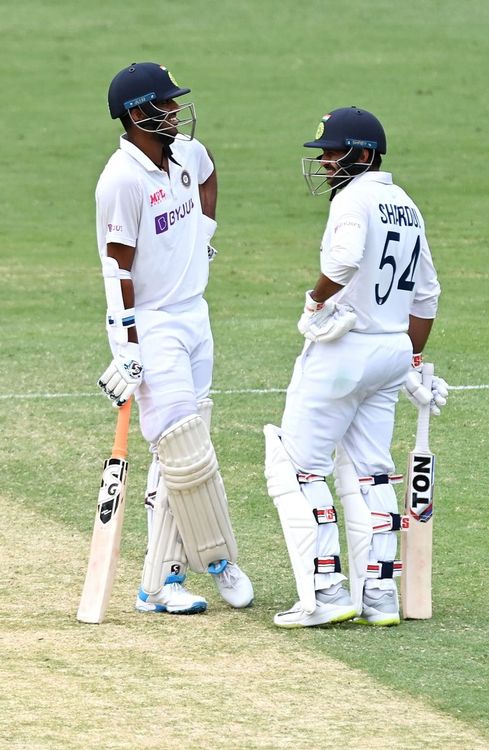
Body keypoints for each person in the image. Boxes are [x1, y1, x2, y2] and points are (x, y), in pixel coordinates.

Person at [264, 106, 448, 628]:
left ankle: (325, 591)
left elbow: (342, 262)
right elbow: (427, 295)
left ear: (362, 155)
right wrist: (411, 360)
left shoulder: (354, 198)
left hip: (345, 348)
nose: (324, 162)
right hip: (389, 351)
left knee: (295, 467)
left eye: (332, 151)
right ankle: (381, 594)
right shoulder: (406, 205)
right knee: (371, 470)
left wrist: (314, 301)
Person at [95, 61, 253, 615]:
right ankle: (214, 561)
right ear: (137, 115)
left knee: (185, 450)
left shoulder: (187, 152)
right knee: (183, 450)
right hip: (155, 324)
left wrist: (204, 235)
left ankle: (161, 583)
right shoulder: (121, 179)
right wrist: (127, 348)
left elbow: (209, 174)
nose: (174, 112)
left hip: (196, 315)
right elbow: (117, 271)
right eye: (163, 105)